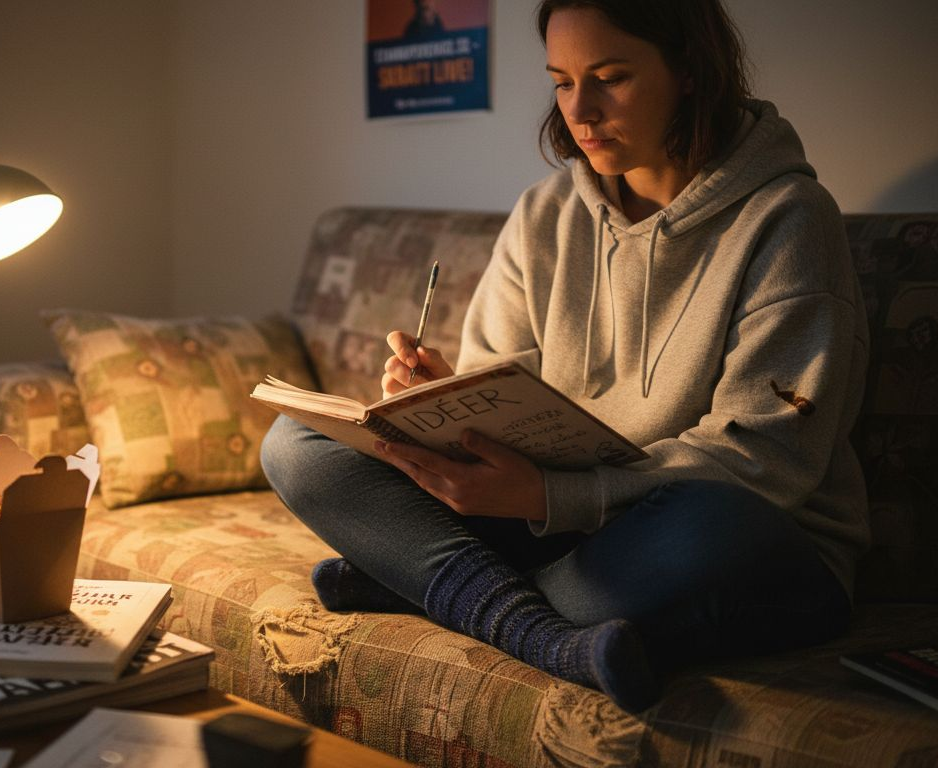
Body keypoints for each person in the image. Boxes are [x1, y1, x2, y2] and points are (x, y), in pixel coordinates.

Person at [261, 0, 869, 713]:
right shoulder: (544, 214)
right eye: (561, 81)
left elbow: (765, 459)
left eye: (611, 77)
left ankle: (429, 585)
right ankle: (534, 626)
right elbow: (503, 390)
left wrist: (552, 499)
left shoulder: (787, 218)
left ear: (691, 74)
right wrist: (445, 403)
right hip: (550, 526)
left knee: (717, 527)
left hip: (729, 537)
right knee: (295, 442)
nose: (581, 111)